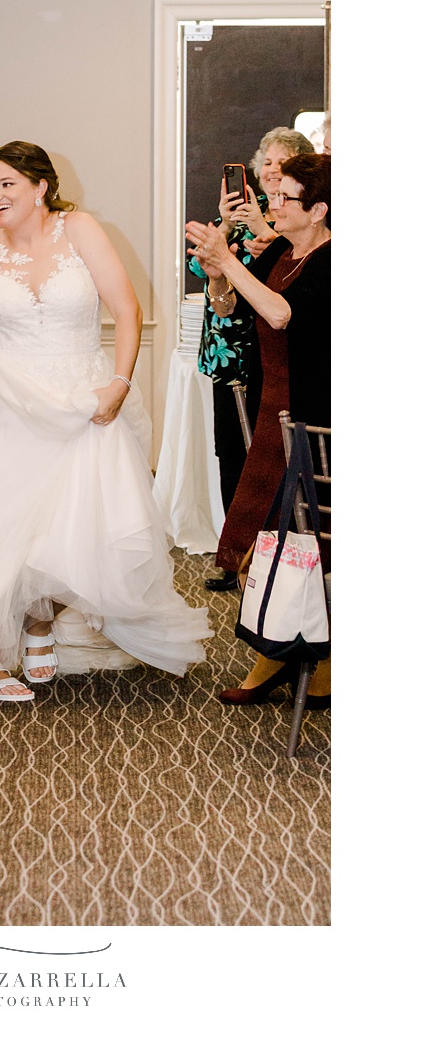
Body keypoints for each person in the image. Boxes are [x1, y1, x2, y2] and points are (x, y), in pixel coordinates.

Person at [0, 141, 210, 704]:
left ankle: (40, 622)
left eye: (7, 184)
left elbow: (128, 311)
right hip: (2, 405)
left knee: (80, 526)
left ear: (40, 187)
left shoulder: (81, 231)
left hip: (81, 400)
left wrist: (120, 384)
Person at [186, 152, 330, 705]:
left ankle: (323, 660)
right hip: (278, 412)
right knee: (263, 540)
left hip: (318, 419)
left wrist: (230, 258)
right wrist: (220, 274)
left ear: (317, 209)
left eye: (284, 197)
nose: (272, 203)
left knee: (308, 542)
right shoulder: (284, 253)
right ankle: (274, 652)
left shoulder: (332, 260)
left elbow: (278, 313)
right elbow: (235, 309)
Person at [191, 126, 314, 592]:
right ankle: (236, 554)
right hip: (230, 346)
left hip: (273, 355)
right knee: (231, 452)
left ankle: (272, 563)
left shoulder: (291, 228)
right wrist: (223, 238)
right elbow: (207, 274)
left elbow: (282, 302)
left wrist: (258, 238)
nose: (270, 176)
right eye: (266, 164)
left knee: (268, 460)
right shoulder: (244, 220)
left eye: (281, 169)